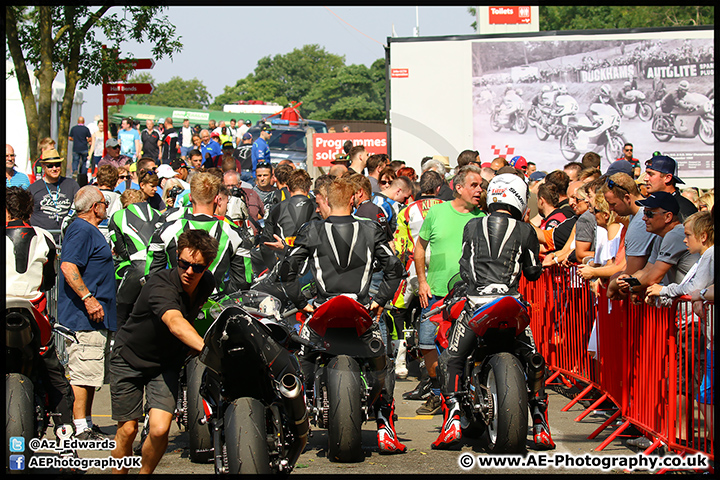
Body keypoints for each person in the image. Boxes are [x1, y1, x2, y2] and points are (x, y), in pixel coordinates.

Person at [279, 178, 408, 454]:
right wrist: (380, 301)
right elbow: (395, 269)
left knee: (300, 362)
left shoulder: (311, 230)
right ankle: (385, 422)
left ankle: (294, 424)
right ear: (353, 199)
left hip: (323, 310)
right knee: (382, 360)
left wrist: (302, 303)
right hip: (361, 310)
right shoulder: (371, 228)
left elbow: (287, 271)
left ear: (325, 200)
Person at [432, 173, 555, 450]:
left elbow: (465, 268)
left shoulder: (472, 225)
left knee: (453, 357)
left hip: (476, 303)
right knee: (533, 358)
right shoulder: (526, 231)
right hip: (510, 303)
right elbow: (533, 272)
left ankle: (451, 419)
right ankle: (540, 423)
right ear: (521, 199)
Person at [110, 229, 217, 474]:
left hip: (164, 364)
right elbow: (175, 322)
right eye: (184, 264)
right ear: (176, 257)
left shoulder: (207, 283)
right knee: (127, 430)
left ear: (207, 267)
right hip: (129, 358)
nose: (189, 271)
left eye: (198, 268)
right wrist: (205, 348)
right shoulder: (160, 284)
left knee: (159, 430)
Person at [6, 186, 76, 444]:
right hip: (34, 315)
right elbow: (49, 279)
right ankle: (67, 440)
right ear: (31, 210)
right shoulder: (45, 236)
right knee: (54, 372)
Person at [413, 165, 485, 415]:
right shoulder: (437, 213)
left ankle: (465, 396)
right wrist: (422, 282)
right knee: (427, 345)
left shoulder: (482, 218)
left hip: (469, 295)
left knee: (467, 347)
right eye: (474, 185)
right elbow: (419, 248)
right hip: (436, 293)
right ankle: (436, 392)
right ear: (458, 187)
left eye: (481, 185)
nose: (479, 190)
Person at [58, 186, 117, 440]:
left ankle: (88, 423)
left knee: (91, 373)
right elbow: (68, 265)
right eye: (104, 202)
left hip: (94, 318)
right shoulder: (82, 230)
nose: (106, 206)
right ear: (95, 207)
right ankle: (80, 427)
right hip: (84, 318)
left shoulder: (88, 230)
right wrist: (88, 298)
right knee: (83, 373)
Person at [146, 172, 253, 295]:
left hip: (175, 303)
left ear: (190, 197)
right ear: (217, 199)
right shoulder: (234, 233)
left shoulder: (166, 230)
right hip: (216, 306)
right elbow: (243, 281)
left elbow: (152, 276)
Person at [389, 170, 444, 382]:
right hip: (442, 272)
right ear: (439, 188)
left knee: (397, 310)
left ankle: (400, 358)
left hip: (414, 269)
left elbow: (401, 246)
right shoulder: (447, 207)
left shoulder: (407, 210)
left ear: (421, 188)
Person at [109, 189, 162, 331]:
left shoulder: (118, 215)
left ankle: (117, 341)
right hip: (159, 266)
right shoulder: (158, 213)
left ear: (124, 204)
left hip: (137, 265)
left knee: (121, 307)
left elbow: (122, 250)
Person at [604, 173, 659, 300]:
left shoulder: (641, 221)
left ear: (627, 198)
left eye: (613, 204)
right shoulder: (637, 216)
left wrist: (612, 285)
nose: (610, 209)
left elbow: (632, 272)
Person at [256, 169, 320, 270]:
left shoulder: (277, 208)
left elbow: (265, 244)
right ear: (308, 188)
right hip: (312, 269)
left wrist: (274, 268)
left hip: (285, 268)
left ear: (288, 189)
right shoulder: (318, 208)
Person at [27, 148, 81, 243]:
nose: (54, 169)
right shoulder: (33, 188)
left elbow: (81, 209)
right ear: (43, 167)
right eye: (50, 166)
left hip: (67, 239)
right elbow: (27, 214)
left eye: (57, 165)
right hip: (42, 240)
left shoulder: (71, 184)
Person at [643, 155, 697, 222]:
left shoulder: (683, 209)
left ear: (667, 178)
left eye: (650, 174)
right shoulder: (655, 203)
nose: (645, 178)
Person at [68, 116, 93, 183]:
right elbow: (90, 139)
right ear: (83, 122)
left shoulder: (74, 129)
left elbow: (70, 138)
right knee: (84, 162)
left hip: (76, 148)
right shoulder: (86, 129)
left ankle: (75, 171)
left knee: (75, 161)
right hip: (84, 148)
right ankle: (83, 174)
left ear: (78, 121)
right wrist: (86, 140)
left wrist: (75, 139)